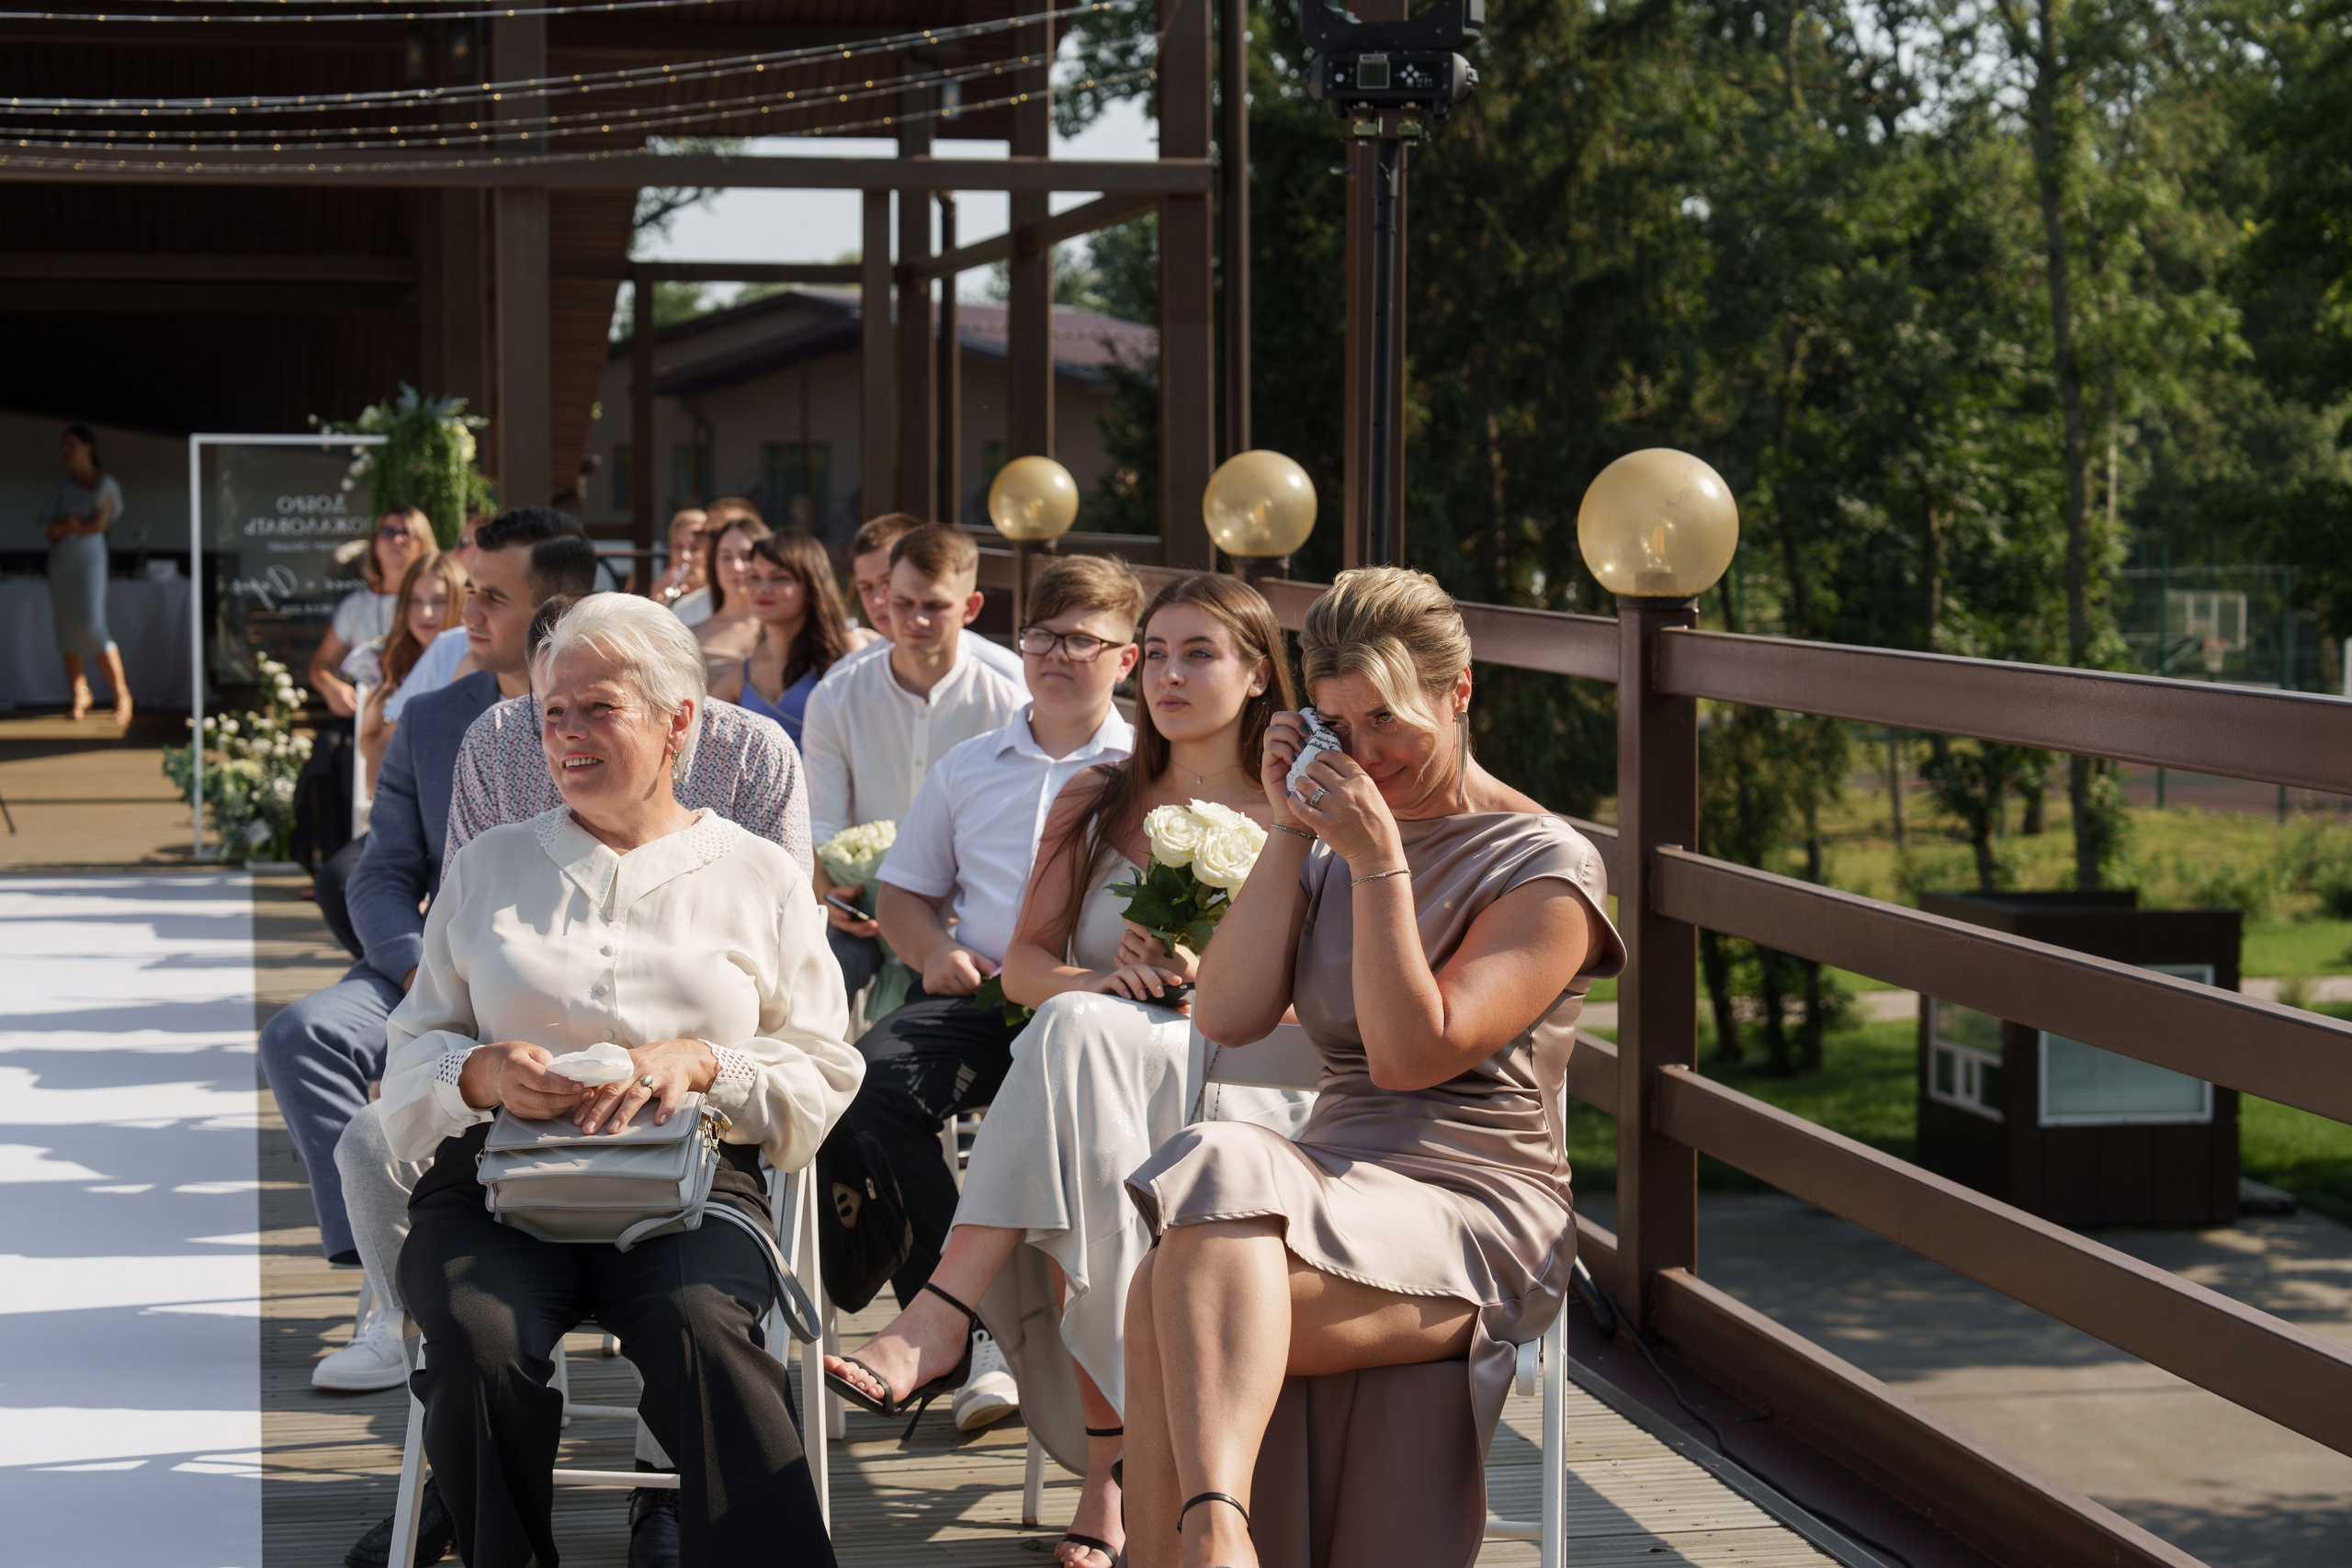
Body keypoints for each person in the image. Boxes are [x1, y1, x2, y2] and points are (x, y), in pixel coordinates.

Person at [1118, 567, 1625, 1568]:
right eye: (1334, 725)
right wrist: (1287, 830)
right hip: (1331, 1183)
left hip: (1482, 1207)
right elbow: (1222, 1012)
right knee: (1186, 1256)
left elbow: (1408, 1056)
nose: (1363, 752)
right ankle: (1219, 1534)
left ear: (1459, 693)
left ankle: (1206, 1544)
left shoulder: (1545, 867)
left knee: (1172, 1280)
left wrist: (1378, 861)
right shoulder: (1325, 832)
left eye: (1386, 719)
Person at [828, 573, 1313, 1568]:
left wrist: (1210, 983)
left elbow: (1328, 1000)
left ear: (1258, 671)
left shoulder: (1300, 807)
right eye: (1161, 651)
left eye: (1199, 654)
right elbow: (1030, 969)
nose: (1169, 675)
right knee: (1078, 1046)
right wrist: (1114, 976)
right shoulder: (1101, 796)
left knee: (1071, 1050)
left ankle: (944, 1319)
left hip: (1255, 1073)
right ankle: (1112, 1471)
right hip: (1106, 1062)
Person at [333, 587, 817, 1568]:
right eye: (554, 711)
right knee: (476, 1344)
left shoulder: (756, 873)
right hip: (498, 1183)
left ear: (679, 720)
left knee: (704, 1336)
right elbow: (413, 1047)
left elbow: (819, 1065)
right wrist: (479, 1073)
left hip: (691, 1183)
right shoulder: (486, 867)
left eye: (599, 707)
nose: (568, 733)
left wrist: (707, 1063)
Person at [819, 555, 1144, 1439]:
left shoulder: (1148, 768)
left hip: (1120, 1010)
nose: (1057, 654)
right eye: (1042, 635)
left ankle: (999, 1334)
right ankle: (963, 1325)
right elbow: (904, 896)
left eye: (1084, 639)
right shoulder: (972, 765)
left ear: (1129, 657)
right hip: (992, 992)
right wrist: (933, 951)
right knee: (863, 1082)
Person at [255, 510, 598, 1340]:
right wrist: (415, 969)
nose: (465, 612)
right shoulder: (436, 717)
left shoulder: (623, 720)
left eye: (491, 597)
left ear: (553, 612)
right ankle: (386, 1285)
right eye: (466, 591)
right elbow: (380, 872)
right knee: (302, 1034)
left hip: (566, 982)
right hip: (429, 965)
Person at [799, 523, 1027, 998]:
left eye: (935, 606)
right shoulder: (837, 695)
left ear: (971, 608)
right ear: (883, 595)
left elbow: (1015, 831)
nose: (915, 619)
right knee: (809, 980)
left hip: (967, 919)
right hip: (858, 912)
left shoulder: (1009, 701)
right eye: (902, 602)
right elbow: (821, 823)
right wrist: (827, 897)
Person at [708, 530, 861, 743]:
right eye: (754, 577)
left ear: (811, 587)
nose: (763, 588)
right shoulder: (744, 673)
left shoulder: (846, 649)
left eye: (779, 578)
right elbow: (703, 732)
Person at [840, 511, 1027, 683]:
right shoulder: (843, 683)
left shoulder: (1006, 677)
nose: (879, 600)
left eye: (888, 581)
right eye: (866, 588)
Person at [354, 550, 468, 797]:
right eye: (415, 600)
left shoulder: (471, 654)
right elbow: (372, 741)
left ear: (461, 601)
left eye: (439, 601)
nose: (426, 613)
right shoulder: (384, 661)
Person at [38, 423, 130, 724]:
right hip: (62, 562)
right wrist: (67, 524)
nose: (66, 452)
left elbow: (97, 525)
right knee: (68, 628)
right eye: (63, 446)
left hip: (89, 558)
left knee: (92, 624)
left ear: (88, 447)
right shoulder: (62, 488)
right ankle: (80, 693)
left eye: (72, 445)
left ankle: (121, 694)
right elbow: (49, 531)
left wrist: (68, 527)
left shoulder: (106, 484)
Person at [312, 508, 436, 719]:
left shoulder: (439, 598)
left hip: (425, 712)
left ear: (421, 542)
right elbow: (321, 664)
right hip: (371, 717)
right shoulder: (356, 606)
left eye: (406, 532)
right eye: (387, 532)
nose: (397, 540)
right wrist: (332, 687)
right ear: (375, 545)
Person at [690, 499, 769, 678]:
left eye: (746, 556)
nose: (736, 567)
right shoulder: (688, 632)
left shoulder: (781, 630)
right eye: (726, 557)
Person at [652, 506, 710, 618]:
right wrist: (656, 606)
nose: (684, 556)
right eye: (678, 547)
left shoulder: (718, 600)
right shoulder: (667, 595)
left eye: (694, 548)